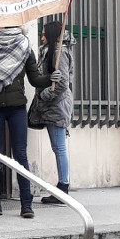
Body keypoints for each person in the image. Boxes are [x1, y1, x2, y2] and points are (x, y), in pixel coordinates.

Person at [0, 26, 62, 218]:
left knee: (20, 155)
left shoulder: (24, 45)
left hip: (16, 106)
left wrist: (51, 78)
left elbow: (34, 79)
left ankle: (26, 204)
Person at [30, 20, 75, 204]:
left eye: (43, 34)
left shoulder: (58, 52)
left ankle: (63, 187)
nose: (41, 37)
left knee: (59, 147)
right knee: (58, 147)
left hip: (56, 105)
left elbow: (62, 83)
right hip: (53, 106)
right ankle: (62, 186)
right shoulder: (50, 51)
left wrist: (47, 94)